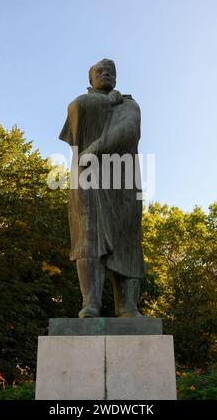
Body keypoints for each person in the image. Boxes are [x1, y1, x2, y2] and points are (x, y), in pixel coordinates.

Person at [59, 59, 145, 318]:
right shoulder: (80, 102)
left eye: (111, 72)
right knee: (87, 239)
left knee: (127, 238)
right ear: (90, 79)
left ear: (117, 79)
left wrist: (96, 148)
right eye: (100, 71)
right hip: (87, 177)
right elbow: (75, 117)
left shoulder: (128, 104)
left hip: (123, 178)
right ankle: (91, 303)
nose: (107, 73)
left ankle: (128, 306)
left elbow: (129, 130)